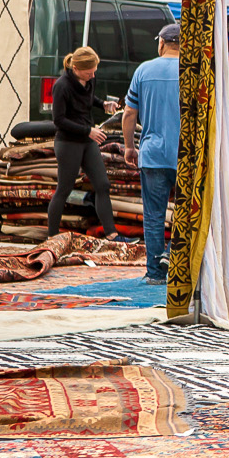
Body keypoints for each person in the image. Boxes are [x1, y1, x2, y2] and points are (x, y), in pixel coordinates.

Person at [47, 46, 127, 243]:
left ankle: (111, 233)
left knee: (102, 184)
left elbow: (88, 99)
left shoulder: (90, 80)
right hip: (68, 142)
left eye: (94, 70)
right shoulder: (62, 86)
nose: (93, 74)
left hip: (87, 140)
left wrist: (103, 105)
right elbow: (59, 120)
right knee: (64, 188)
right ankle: (52, 235)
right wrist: (88, 131)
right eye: (89, 71)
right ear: (76, 68)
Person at [122, 24, 181, 284]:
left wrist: (129, 147)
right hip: (186, 154)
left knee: (154, 215)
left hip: (154, 153)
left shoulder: (144, 71)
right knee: (189, 211)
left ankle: (155, 272)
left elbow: (128, 114)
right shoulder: (193, 72)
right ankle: (178, 261)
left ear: (161, 43)